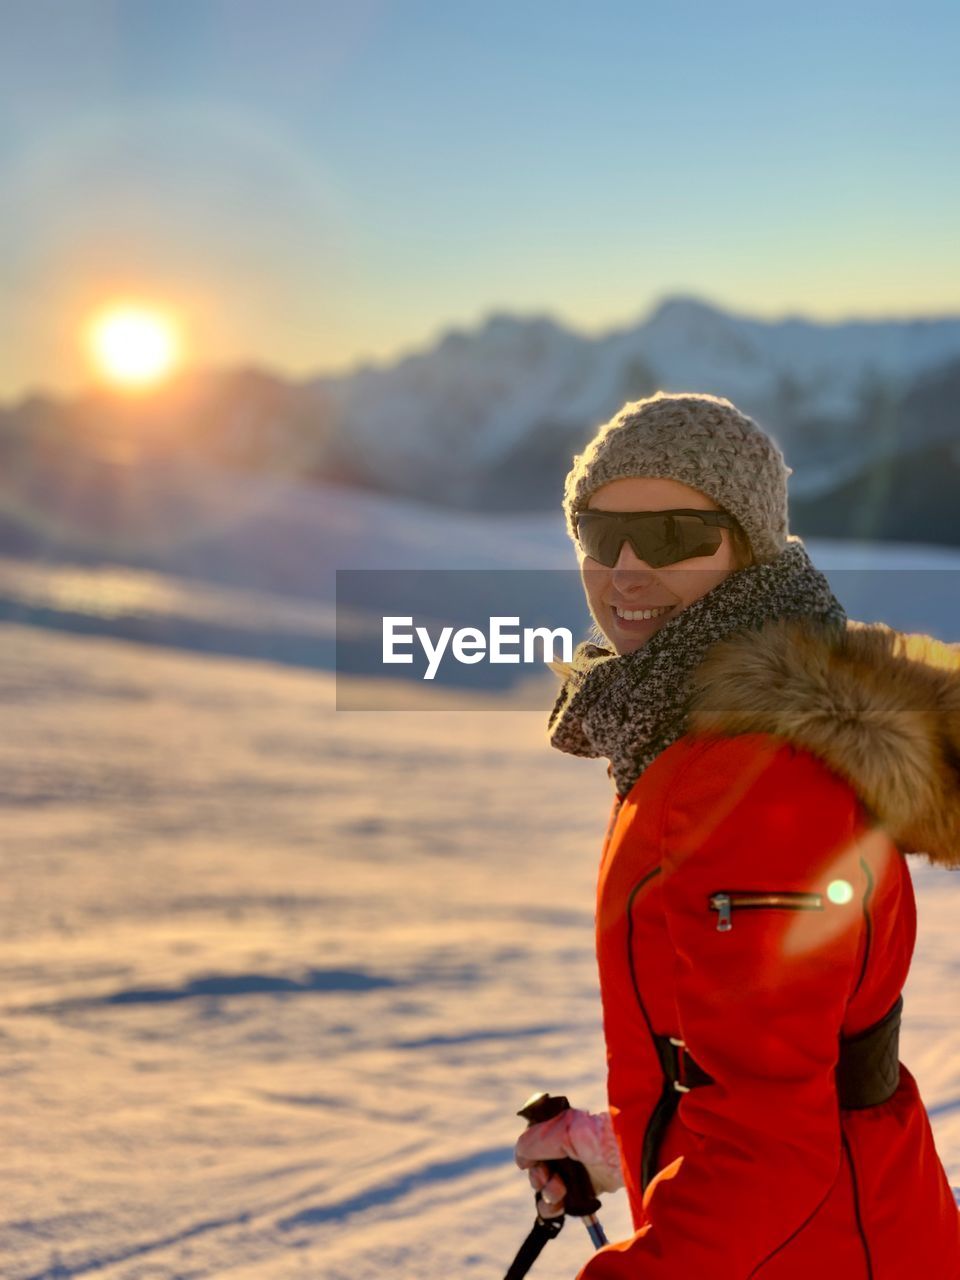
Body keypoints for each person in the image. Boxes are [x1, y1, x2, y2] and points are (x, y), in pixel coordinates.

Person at [514, 392, 960, 1278]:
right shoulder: (681, 733)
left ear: (746, 549)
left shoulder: (753, 775)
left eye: (676, 535)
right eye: (602, 537)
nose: (627, 570)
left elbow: (771, 1145)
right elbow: (766, 1064)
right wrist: (623, 1141)